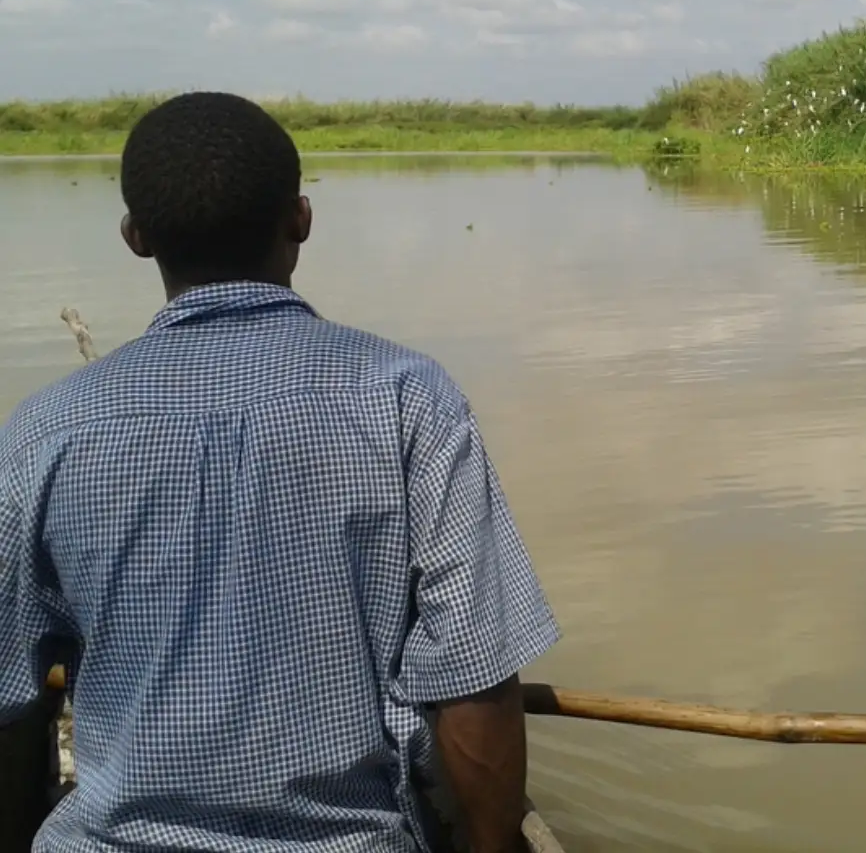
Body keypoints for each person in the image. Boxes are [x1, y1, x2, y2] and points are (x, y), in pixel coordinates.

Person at [0, 92, 560, 853]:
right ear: (300, 220)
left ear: (136, 238)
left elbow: (10, 691)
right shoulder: (405, 396)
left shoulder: (45, 430)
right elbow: (472, 680)